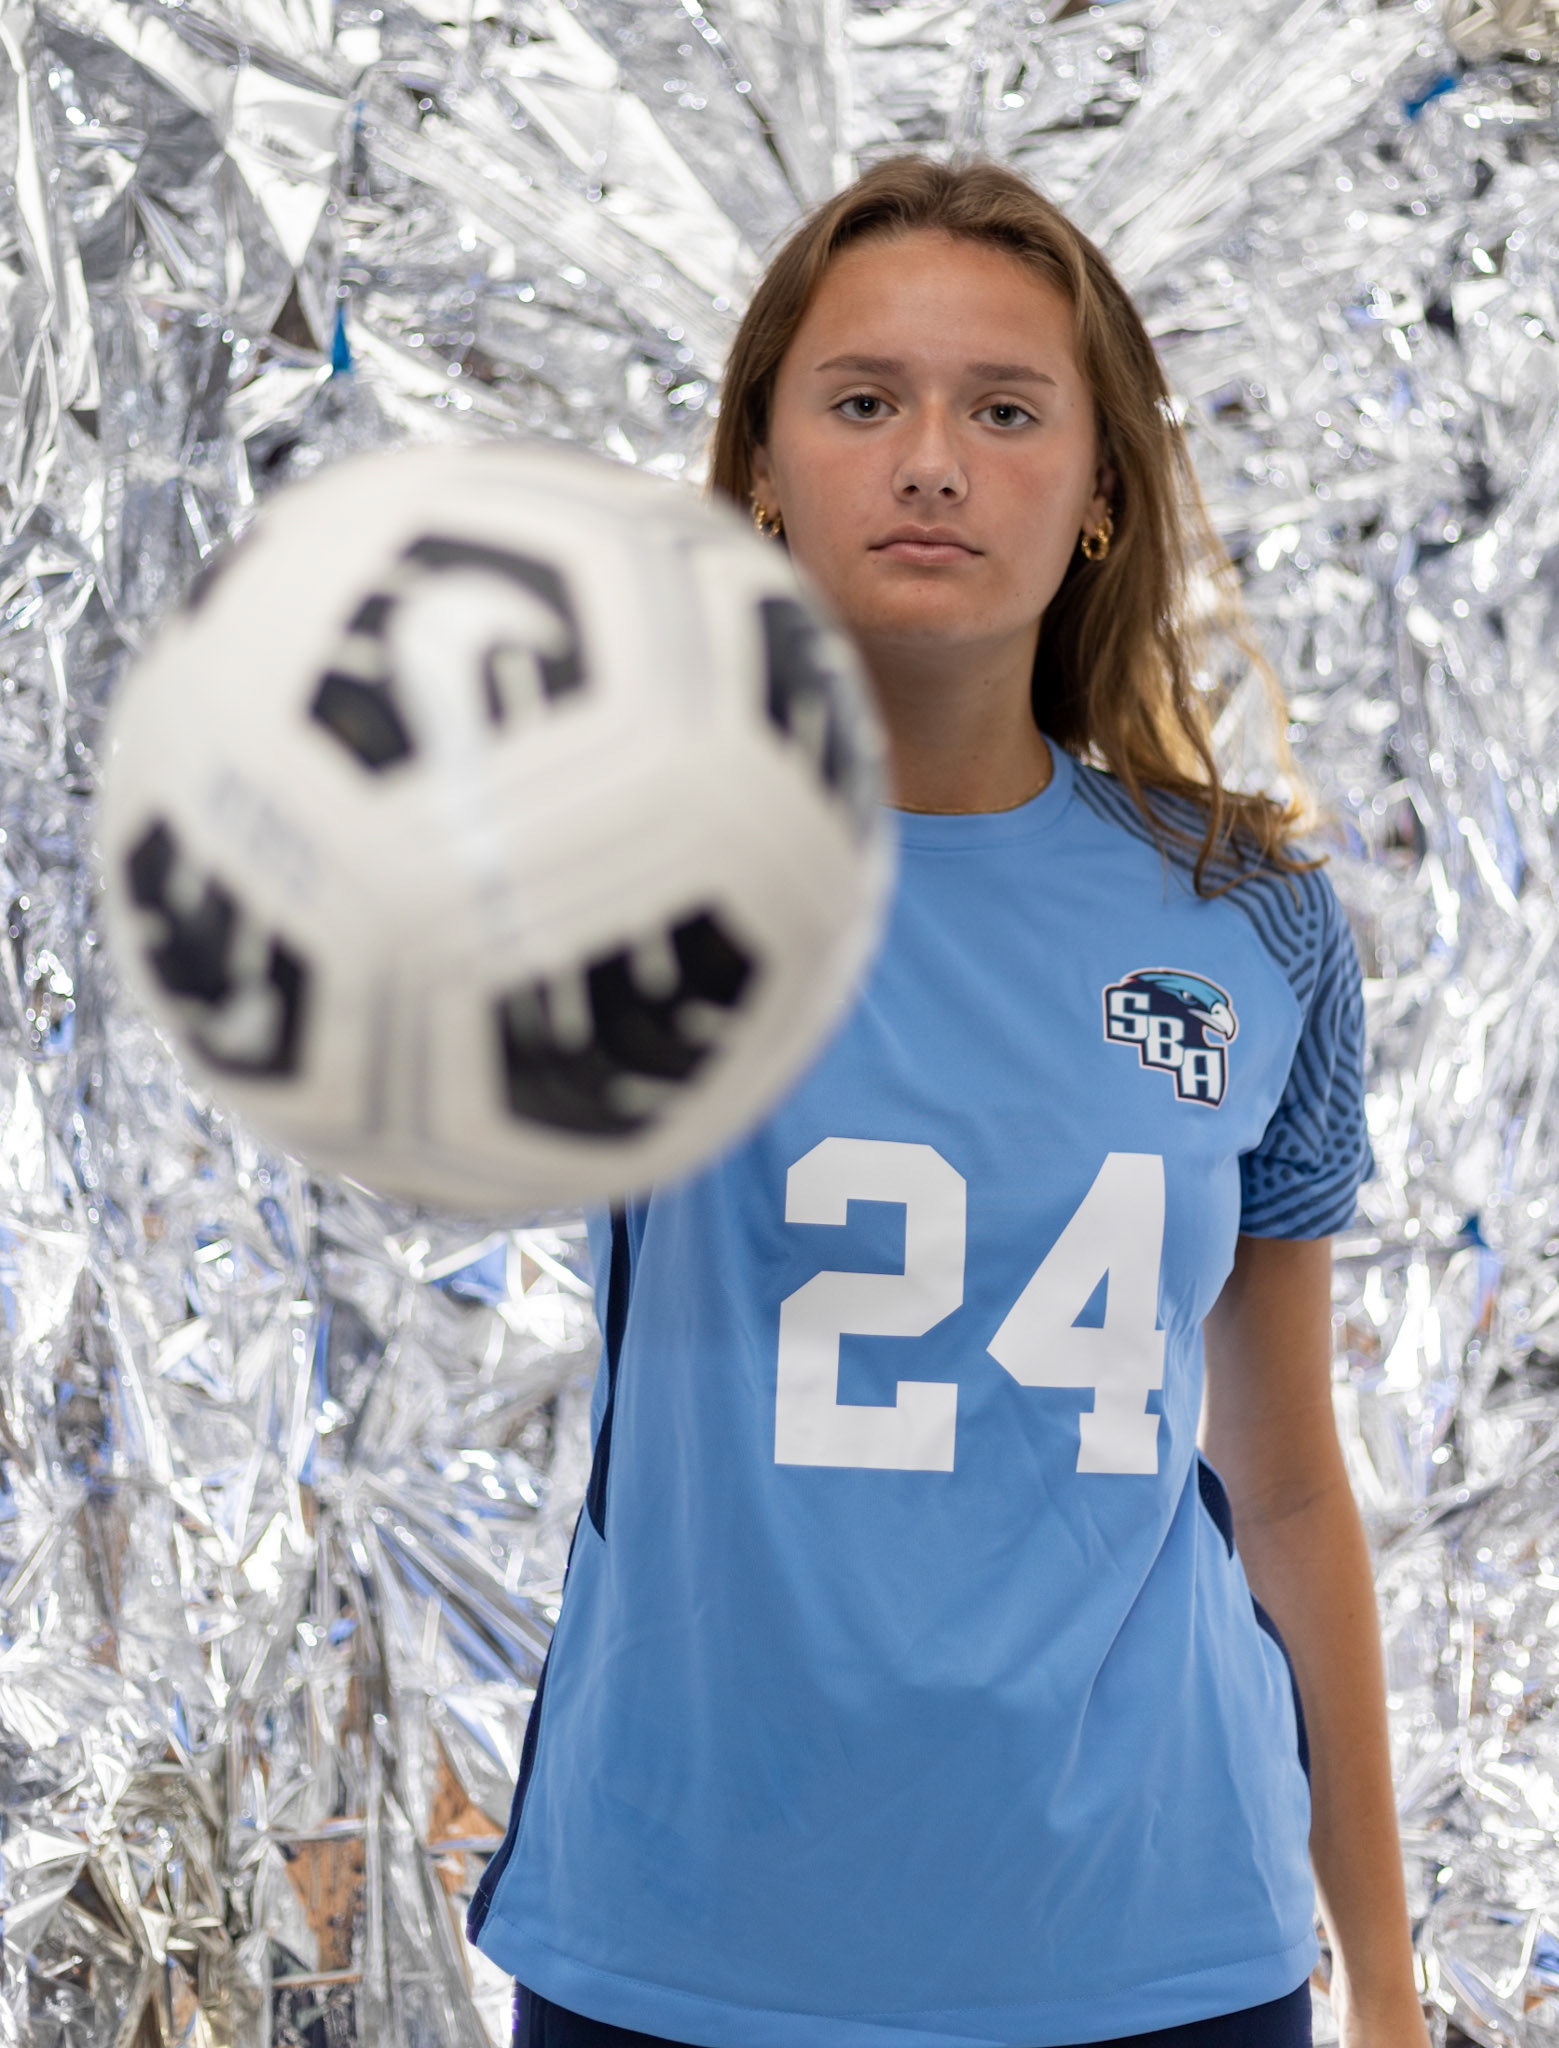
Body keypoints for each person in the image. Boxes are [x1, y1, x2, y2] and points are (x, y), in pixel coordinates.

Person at [467, 155, 1429, 2048]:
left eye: (1004, 411)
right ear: (759, 464)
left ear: (1093, 497)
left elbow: (1293, 1479)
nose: (931, 460)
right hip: (684, 1944)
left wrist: (1386, 1979)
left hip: (1161, 1948)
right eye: (862, 401)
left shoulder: (1250, 923)